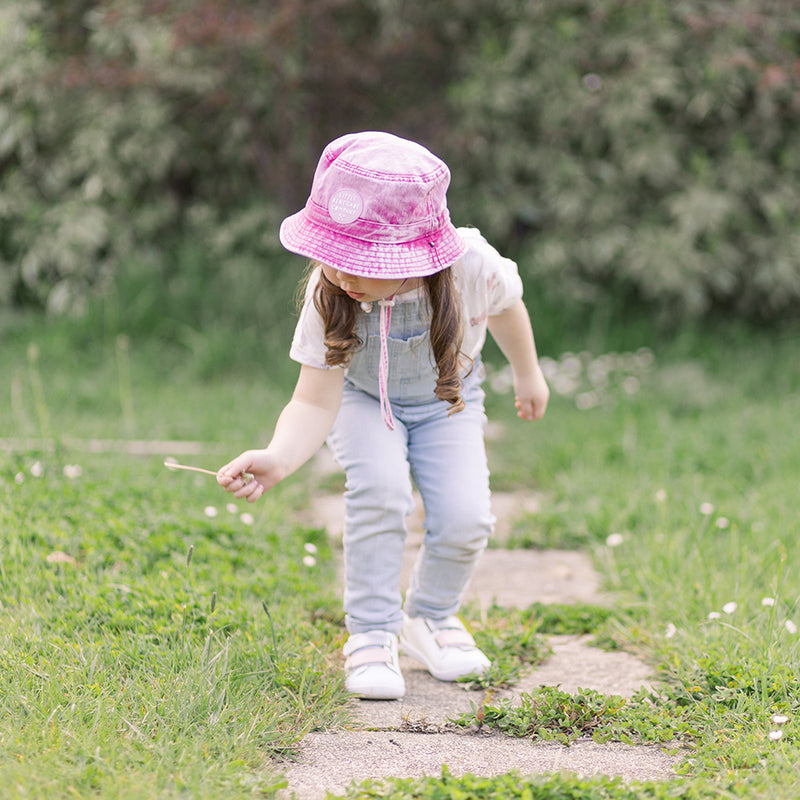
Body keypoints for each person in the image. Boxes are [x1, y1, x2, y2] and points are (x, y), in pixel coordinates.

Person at [217, 131, 549, 700]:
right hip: (361, 401)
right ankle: (371, 633)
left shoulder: (471, 266)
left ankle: (431, 618)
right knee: (381, 491)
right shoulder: (331, 292)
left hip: (448, 402)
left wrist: (527, 372)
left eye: (358, 261)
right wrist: (280, 456)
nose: (340, 273)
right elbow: (313, 399)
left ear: (414, 258)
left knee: (468, 518)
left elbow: (507, 306)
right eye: (334, 256)